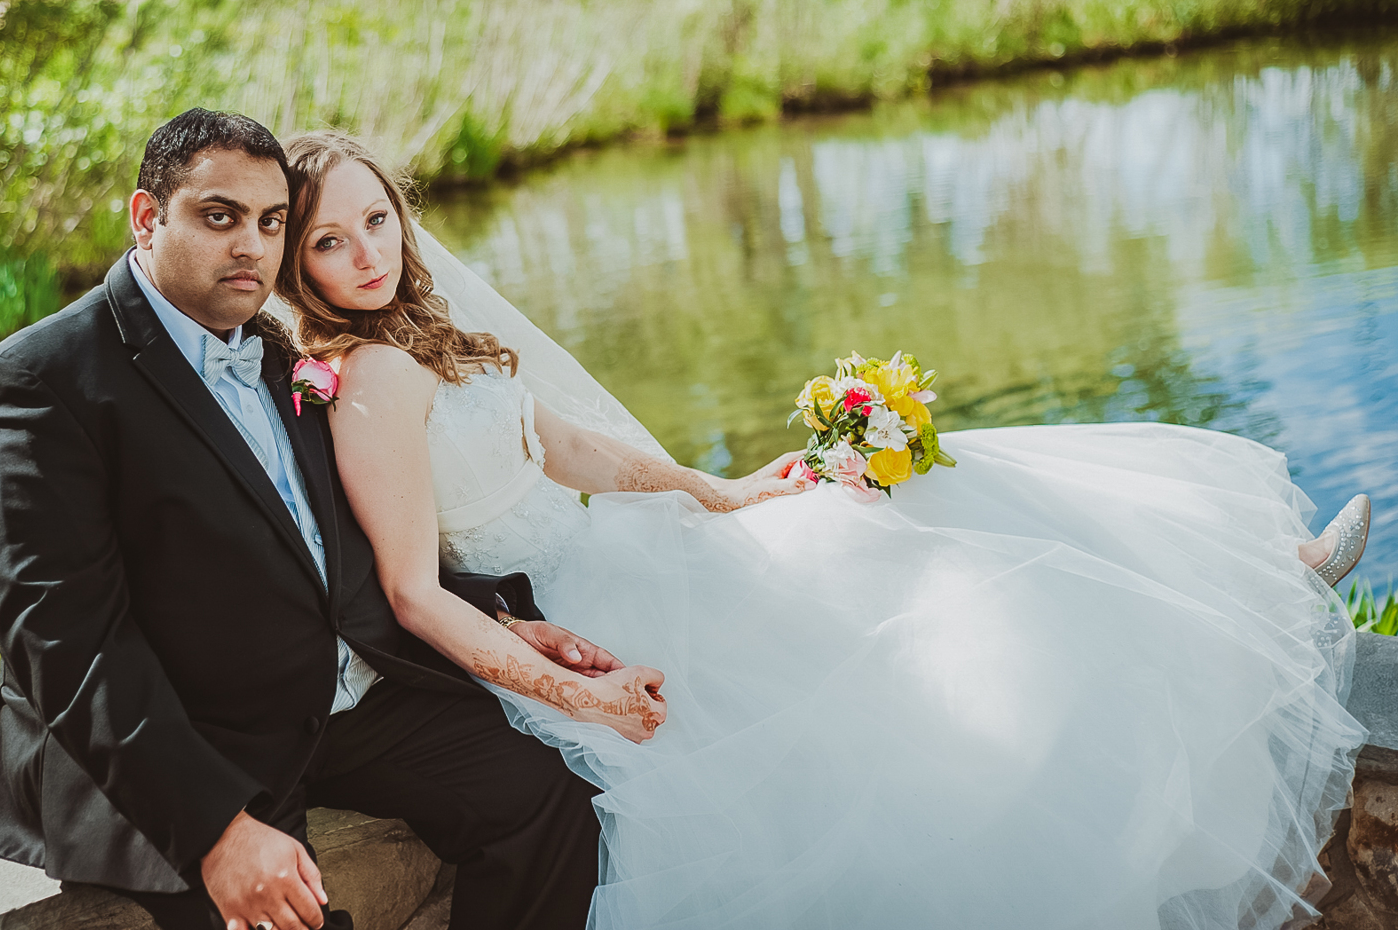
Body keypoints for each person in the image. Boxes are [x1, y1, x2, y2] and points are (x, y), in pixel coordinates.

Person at [273, 127, 1373, 930]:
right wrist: (577, 691)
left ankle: (1246, 576)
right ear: (296, 266)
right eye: (330, 241)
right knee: (887, 575)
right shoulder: (364, 381)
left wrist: (720, 491)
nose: (366, 252)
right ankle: (1249, 588)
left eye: (378, 219)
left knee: (869, 491)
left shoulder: (432, 335)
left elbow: (567, 450)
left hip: (630, 541)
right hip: (574, 601)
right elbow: (414, 591)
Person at [0, 109, 651, 930]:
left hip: (345, 704)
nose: (252, 244)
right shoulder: (37, 381)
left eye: (272, 221)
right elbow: (64, 643)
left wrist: (504, 621)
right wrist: (214, 828)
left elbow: (341, 547)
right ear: (148, 218)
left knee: (550, 790)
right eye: (220, 216)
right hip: (187, 737)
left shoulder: (285, 354)